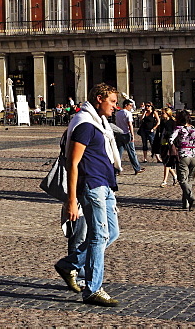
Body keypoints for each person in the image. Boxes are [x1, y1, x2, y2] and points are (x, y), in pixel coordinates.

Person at [61, 83, 123, 307]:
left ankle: (71, 264)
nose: (115, 107)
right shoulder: (85, 125)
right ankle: (93, 289)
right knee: (99, 236)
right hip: (92, 186)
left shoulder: (100, 124)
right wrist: (71, 199)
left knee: (112, 233)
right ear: (99, 99)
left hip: (105, 185)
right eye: (113, 102)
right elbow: (72, 162)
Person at [169, 110, 195, 210]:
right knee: (190, 180)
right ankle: (186, 203)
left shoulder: (178, 129)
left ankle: (191, 198)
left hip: (183, 155)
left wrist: (174, 148)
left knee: (182, 180)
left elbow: (170, 139)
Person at [114, 99, 143, 174]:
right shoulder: (128, 113)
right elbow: (130, 124)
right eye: (130, 105)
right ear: (126, 105)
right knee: (132, 152)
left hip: (119, 134)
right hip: (126, 134)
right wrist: (132, 135)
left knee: (119, 153)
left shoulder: (118, 113)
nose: (131, 107)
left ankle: (117, 169)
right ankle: (137, 168)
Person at [157, 107, 177, 187]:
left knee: (167, 163)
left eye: (163, 113)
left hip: (169, 144)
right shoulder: (162, 122)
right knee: (165, 162)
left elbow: (174, 133)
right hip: (163, 144)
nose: (161, 115)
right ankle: (175, 176)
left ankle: (164, 181)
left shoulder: (172, 122)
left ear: (167, 113)